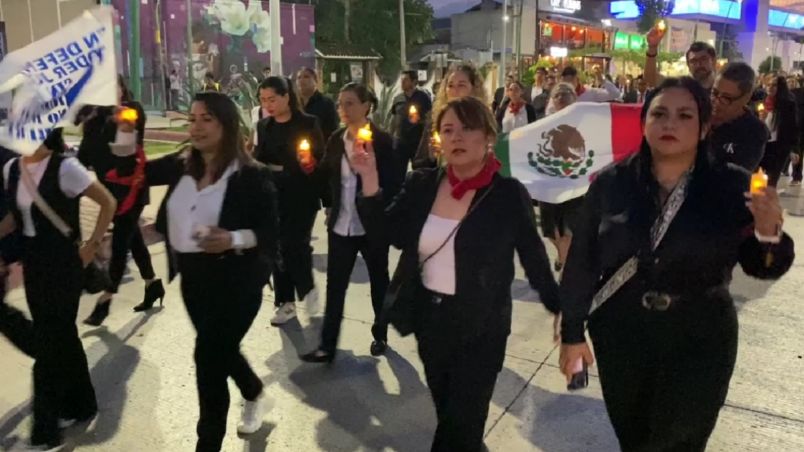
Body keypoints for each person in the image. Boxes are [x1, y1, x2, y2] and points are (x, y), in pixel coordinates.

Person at [559, 77, 795, 452]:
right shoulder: (612, 183)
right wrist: (572, 333)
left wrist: (769, 234)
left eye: (685, 116)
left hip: (699, 336)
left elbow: (763, 266)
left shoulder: (731, 186)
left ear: (703, 128)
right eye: (660, 114)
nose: (670, 124)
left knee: (678, 442)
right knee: (634, 439)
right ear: (644, 123)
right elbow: (583, 260)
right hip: (623, 335)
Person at [352, 96, 560, 451]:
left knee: (456, 432)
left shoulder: (507, 194)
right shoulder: (423, 184)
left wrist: (560, 308)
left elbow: (534, 257)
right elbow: (387, 233)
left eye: (467, 128)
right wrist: (369, 179)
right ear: (438, 140)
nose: (457, 137)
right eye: (448, 130)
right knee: (455, 421)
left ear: (488, 137)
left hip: (482, 328)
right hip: (431, 325)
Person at [132, 92, 278, 452]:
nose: (195, 126)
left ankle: (207, 444)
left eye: (206, 119)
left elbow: (274, 234)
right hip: (194, 282)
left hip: (238, 282)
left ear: (226, 125)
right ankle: (254, 391)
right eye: (192, 118)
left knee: (207, 358)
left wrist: (233, 238)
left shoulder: (250, 176)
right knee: (220, 351)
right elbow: (137, 183)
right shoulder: (183, 166)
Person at [0, 129, 117, 450]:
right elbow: (15, 215)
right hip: (34, 264)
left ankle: (45, 430)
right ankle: (83, 404)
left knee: (50, 342)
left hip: (65, 264)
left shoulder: (65, 167)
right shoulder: (12, 169)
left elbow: (108, 201)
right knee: (61, 336)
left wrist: (92, 245)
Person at [300, 83, 401, 363]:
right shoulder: (335, 140)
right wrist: (309, 167)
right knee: (336, 286)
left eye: (350, 104)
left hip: (372, 227)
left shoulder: (382, 141)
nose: (343, 109)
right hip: (341, 226)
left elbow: (394, 185)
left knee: (379, 281)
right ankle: (327, 345)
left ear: (366, 106)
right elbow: (325, 177)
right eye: (340, 104)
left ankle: (380, 335)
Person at [77, 75, 164, 326]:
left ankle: (106, 300)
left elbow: (131, 144)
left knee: (120, 245)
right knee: (132, 238)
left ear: (122, 88)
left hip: (132, 190)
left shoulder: (131, 111)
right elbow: (83, 157)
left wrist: (119, 121)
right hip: (109, 195)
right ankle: (152, 284)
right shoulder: (93, 120)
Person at [254, 76, 325, 325]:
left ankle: (307, 288)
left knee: (296, 244)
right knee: (277, 247)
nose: (268, 105)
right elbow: (259, 159)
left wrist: (308, 163)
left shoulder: (308, 123)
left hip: (301, 194)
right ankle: (286, 302)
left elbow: (319, 160)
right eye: (263, 100)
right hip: (273, 195)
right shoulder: (264, 126)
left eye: (272, 99)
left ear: (286, 97)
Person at [538, 83, 585, 272]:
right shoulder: (542, 124)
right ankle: (562, 255)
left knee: (568, 229)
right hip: (548, 183)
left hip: (573, 184)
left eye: (567, 93)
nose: (562, 97)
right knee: (550, 229)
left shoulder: (583, 121)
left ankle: (566, 266)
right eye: (557, 94)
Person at [412, 63, 488, 170]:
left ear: (474, 88)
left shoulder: (483, 121)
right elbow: (418, 164)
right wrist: (431, 157)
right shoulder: (435, 121)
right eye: (450, 85)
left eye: (461, 85)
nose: (454, 90)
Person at [709, 62, 769, 172]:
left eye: (726, 98)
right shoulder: (698, 116)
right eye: (714, 93)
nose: (716, 102)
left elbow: (736, 176)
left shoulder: (754, 131)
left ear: (746, 98)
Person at [644, 23, 717, 93]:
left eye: (703, 59)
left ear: (713, 61)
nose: (698, 64)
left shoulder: (724, 88)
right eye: (693, 61)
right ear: (688, 65)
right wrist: (652, 48)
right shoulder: (683, 87)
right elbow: (650, 80)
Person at [759, 75, 799, 186]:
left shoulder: (788, 104)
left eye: (774, 85)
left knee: (771, 181)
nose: (770, 87)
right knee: (758, 180)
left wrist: (793, 150)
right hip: (763, 145)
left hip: (779, 146)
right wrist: (760, 119)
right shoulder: (763, 101)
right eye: (768, 85)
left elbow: (792, 127)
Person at [392, 70, 433, 175]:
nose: (402, 82)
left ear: (414, 82)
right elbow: (394, 118)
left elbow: (430, 118)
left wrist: (419, 120)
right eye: (401, 80)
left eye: (405, 80)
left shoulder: (423, 97)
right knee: (398, 172)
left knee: (419, 171)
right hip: (401, 141)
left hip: (417, 141)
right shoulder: (398, 99)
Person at [546, 66, 621, 114]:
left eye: (571, 80)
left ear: (577, 79)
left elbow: (615, 94)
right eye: (566, 81)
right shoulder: (558, 95)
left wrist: (602, 80)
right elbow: (549, 113)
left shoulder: (590, 93)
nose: (569, 85)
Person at [296, 67, 339, 143]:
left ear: (315, 80)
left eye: (306, 77)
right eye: (299, 77)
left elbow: (333, 130)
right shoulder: (294, 103)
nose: (301, 80)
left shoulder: (326, 103)